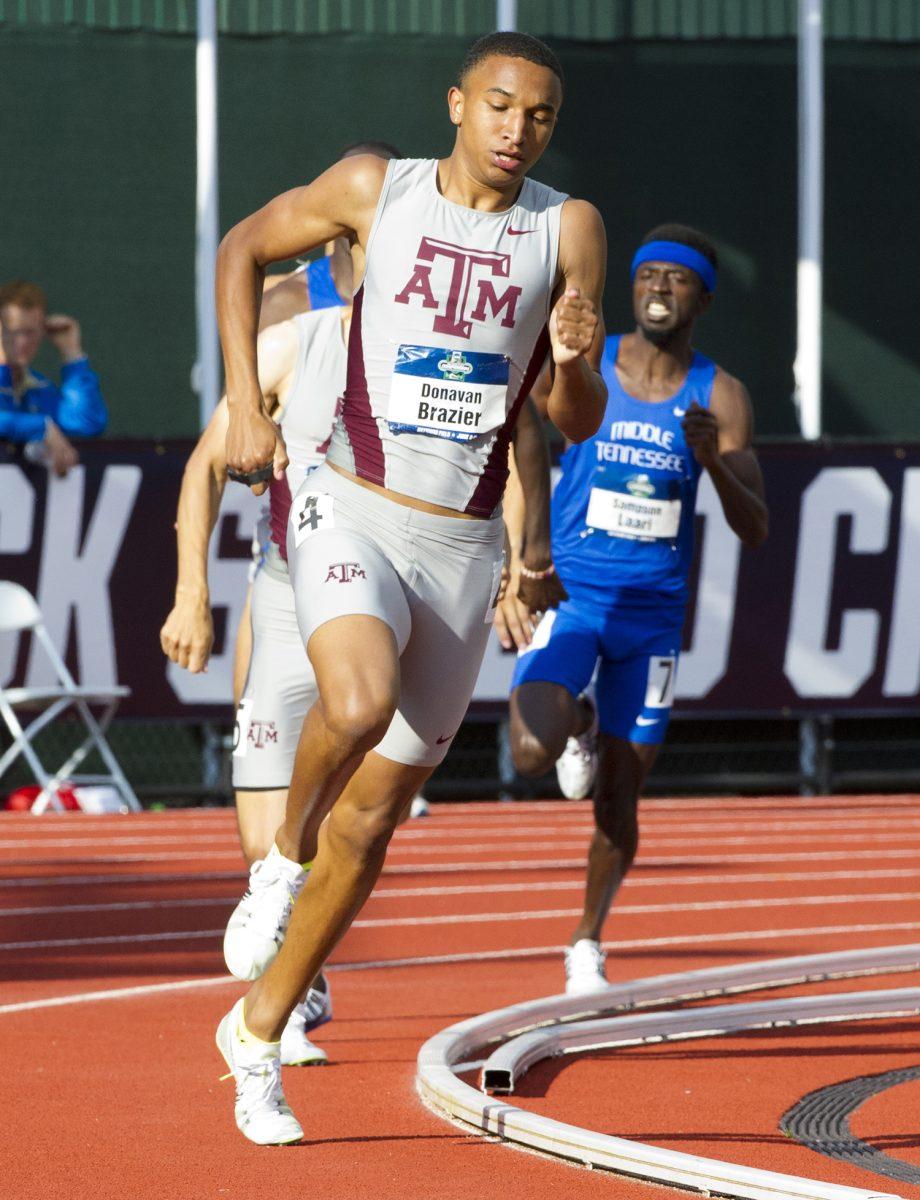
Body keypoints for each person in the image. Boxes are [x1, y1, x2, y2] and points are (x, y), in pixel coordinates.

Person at [214, 30, 607, 1145]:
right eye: (496, 105)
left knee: (378, 820)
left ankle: (256, 1037)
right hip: (353, 500)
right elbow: (242, 248)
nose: (514, 129)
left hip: (463, 540)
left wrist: (575, 360)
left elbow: (567, 420)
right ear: (455, 104)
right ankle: (278, 865)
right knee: (354, 703)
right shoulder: (369, 192)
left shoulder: (564, 227)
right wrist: (245, 399)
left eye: (536, 116)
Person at [502, 224, 769, 995]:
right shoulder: (589, 363)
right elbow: (523, 433)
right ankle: (579, 721)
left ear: (701, 299)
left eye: (676, 279)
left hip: (651, 621)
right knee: (528, 751)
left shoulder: (719, 396)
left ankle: (586, 941)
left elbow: (755, 527)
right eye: (648, 274)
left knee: (620, 796)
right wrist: (525, 558)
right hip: (576, 595)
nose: (658, 287)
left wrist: (713, 462)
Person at [0, 279, 107, 475]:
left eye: (30, 332)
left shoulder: (39, 389)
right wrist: (41, 427)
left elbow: (87, 425)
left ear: (42, 331)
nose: (22, 342)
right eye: (13, 332)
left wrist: (72, 354)